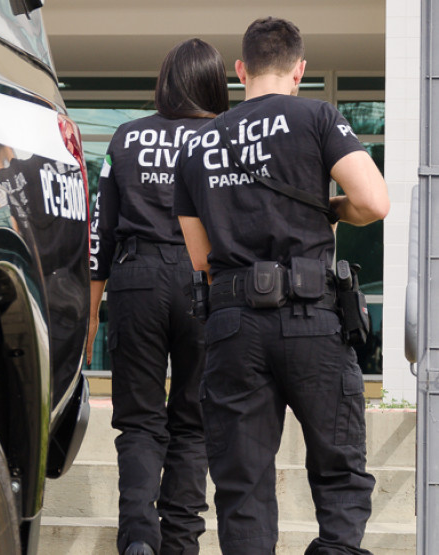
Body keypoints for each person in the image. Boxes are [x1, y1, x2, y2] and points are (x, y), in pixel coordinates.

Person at [173, 17, 389, 555]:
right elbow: (373, 201)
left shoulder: (195, 147)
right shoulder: (317, 116)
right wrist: (330, 209)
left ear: (240, 70)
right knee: (339, 472)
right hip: (311, 316)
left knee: (242, 485)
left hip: (231, 326)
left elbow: (202, 258)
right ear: (300, 70)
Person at [87, 38, 229, 555]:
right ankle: (181, 543)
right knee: (193, 421)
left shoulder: (125, 137)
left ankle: (139, 539)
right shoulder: (222, 136)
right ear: (215, 82)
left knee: (140, 421)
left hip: (137, 279)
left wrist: (90, 314)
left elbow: (100, 229)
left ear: (166, 81)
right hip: (204, 281)